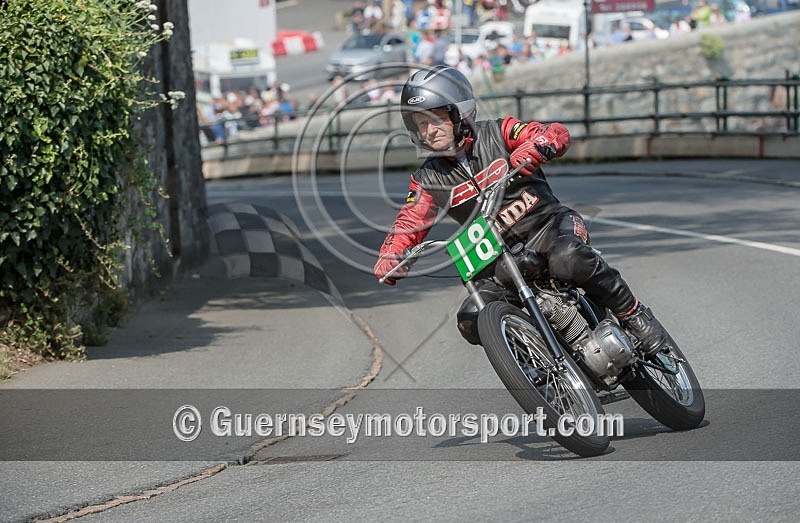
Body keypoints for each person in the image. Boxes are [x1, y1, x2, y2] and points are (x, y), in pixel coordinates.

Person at [372, 66, 670, 356]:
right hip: (493, 261)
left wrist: (538, 145)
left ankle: (633, 314)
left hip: (548, 228)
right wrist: (392, 255)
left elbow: (551, 133)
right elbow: (410, 220)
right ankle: (534, 366)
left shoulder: (499, 132)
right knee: (473, 317)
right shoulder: (427, 177)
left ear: (458, 112)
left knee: (569, 258)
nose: (429, 130)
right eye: (421, 124)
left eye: (436, 118)